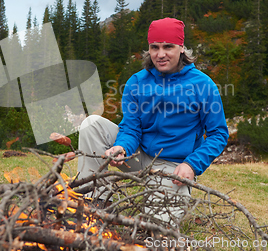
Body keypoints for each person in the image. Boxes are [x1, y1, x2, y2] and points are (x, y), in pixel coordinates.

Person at [77, 17, 229, 221]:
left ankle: (173, 197)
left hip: (172, 166)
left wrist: (191, 165)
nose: (160, 54)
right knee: (91, 124)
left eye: (168, 46)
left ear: (182, 47)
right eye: (154, 47)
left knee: (155, 227)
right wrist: (121, 148)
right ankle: (96, 200)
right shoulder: (137, 82)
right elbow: (131, 128)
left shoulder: (203, 85)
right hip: (138, 156)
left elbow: (218, 134)